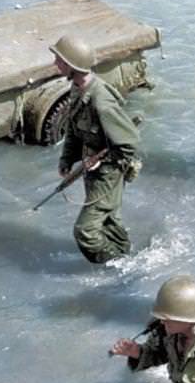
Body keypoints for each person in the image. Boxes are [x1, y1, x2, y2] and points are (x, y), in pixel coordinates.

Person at [50, 35, 142, 264]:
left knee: (85, 231)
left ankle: (115, 266)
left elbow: (128, 143)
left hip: (108, 173)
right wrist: (67, 159)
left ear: (73, 66)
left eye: (59, 61)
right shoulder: (77, 89)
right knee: (109, 220)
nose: (55, 65)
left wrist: (103, 160)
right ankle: (126, 255)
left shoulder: (101, 101)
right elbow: (73, 128)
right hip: (91, 169)